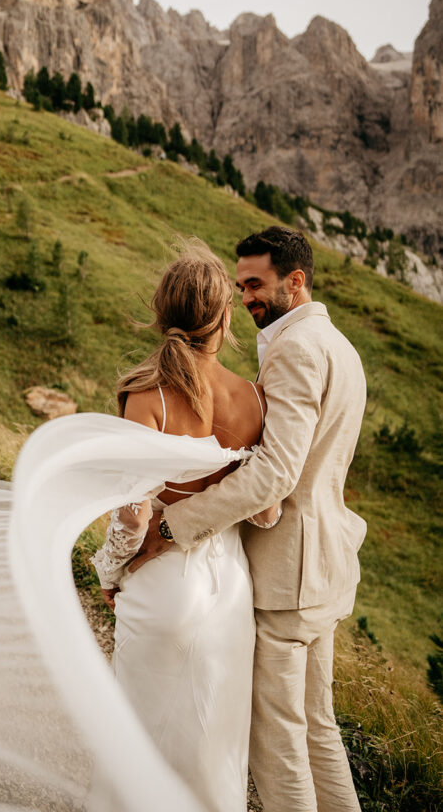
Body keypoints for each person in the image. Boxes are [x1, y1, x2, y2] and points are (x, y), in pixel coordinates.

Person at [131, 226, 367, 812]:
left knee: (278, 745)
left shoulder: (296, 349)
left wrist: (170, 529)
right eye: (240, 287)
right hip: (327, 569)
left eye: (256, 284)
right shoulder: (339, 344)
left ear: (296, 280)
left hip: (291, 575)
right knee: (317, 729)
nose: (247, 297)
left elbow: (275, 474)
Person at [91, 239, 281, 812]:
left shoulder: (147, 394)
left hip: (163, 588)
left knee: (139, 739)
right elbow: (266, 509)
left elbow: (134, 512)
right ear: (223, 317)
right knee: (213, 747)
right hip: (228, 594)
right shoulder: (254, 399)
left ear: (163, 313)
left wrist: (109, 568)